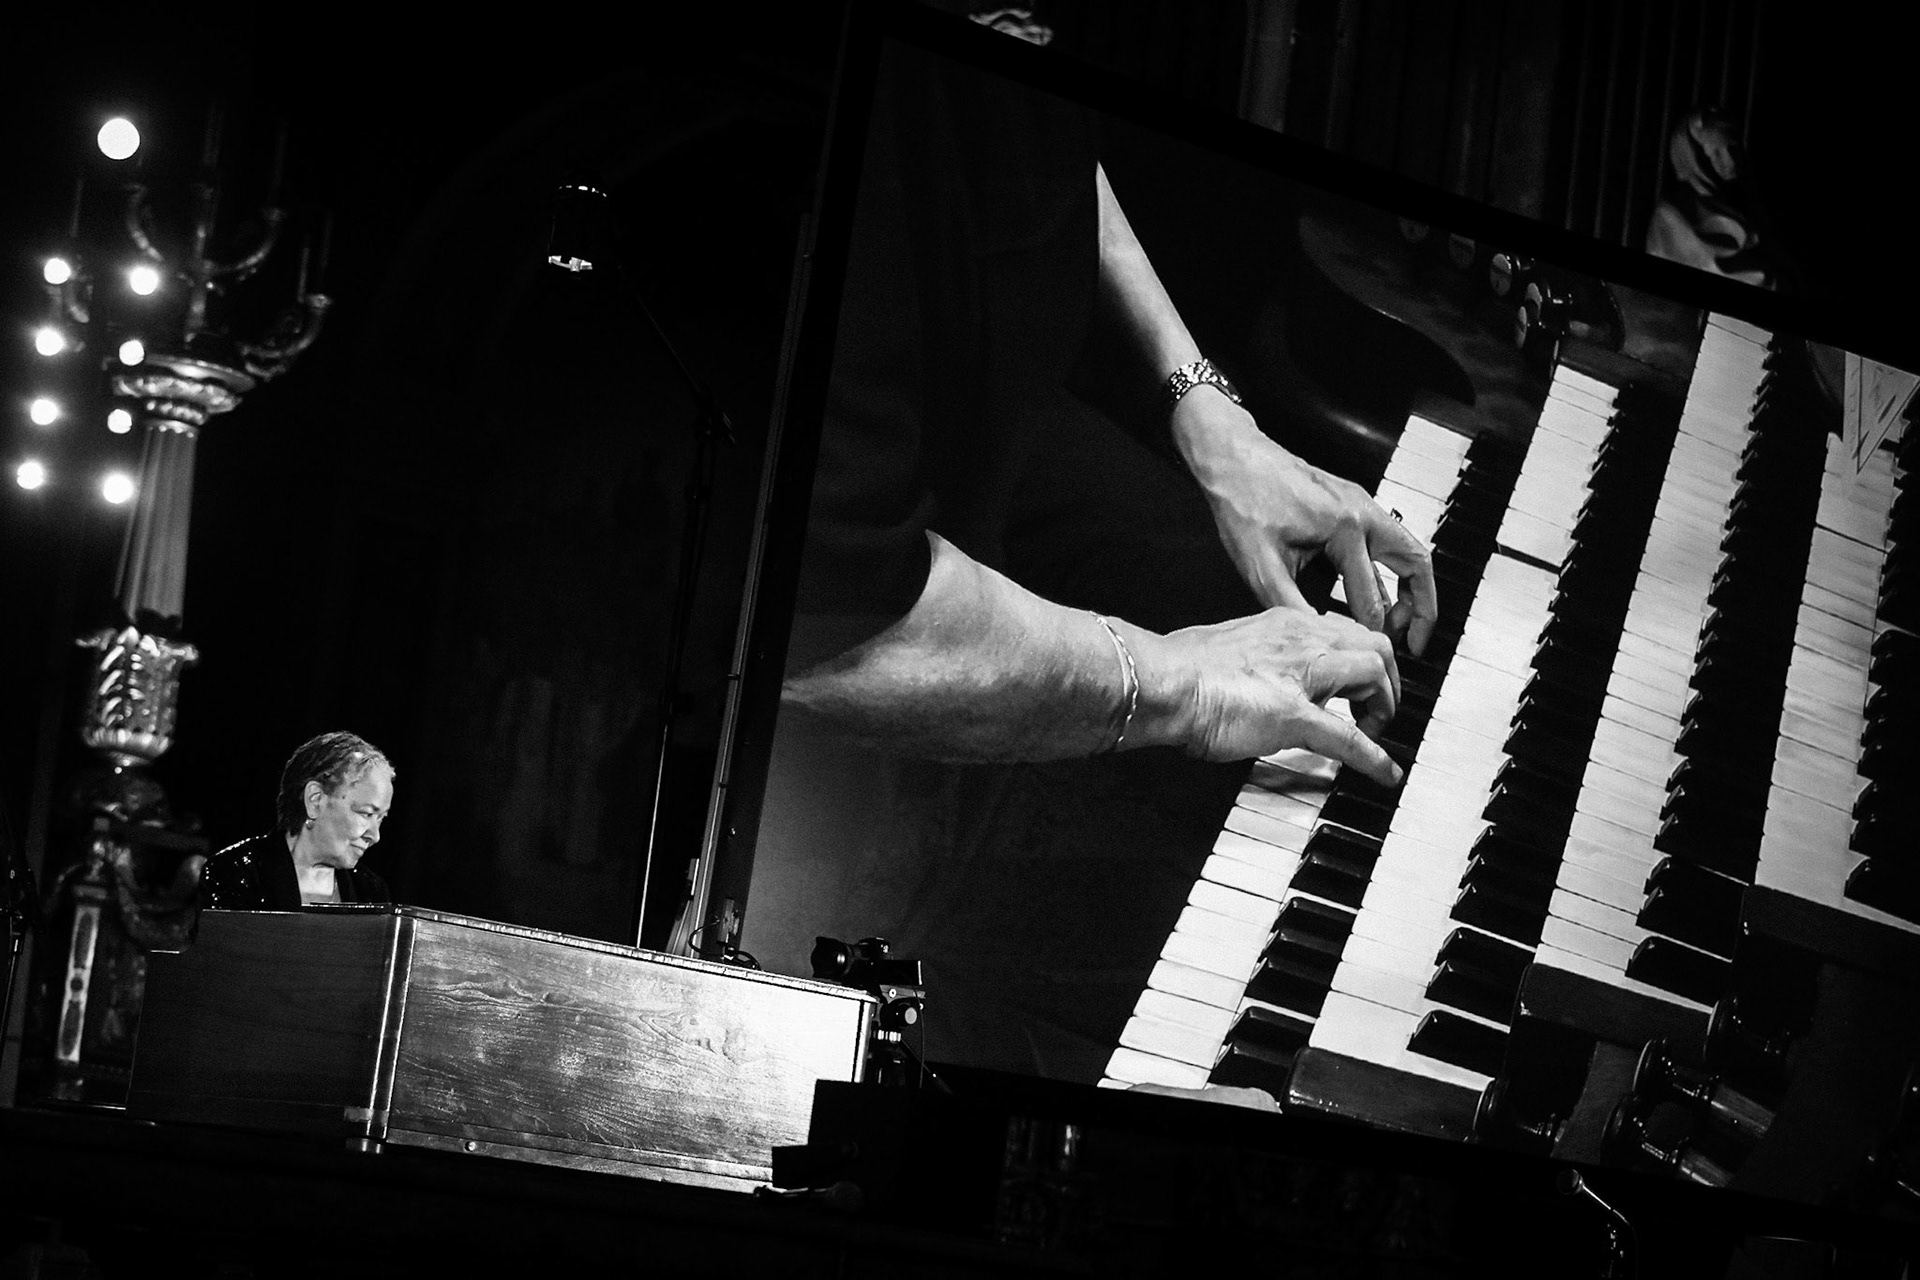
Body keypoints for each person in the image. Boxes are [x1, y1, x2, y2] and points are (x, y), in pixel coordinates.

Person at [745, 34, 1441, 1084]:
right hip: (824, 584)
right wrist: (1182, 684)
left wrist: (1204, 405)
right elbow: (835, 628)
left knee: (1248, 601)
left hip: (989, 416)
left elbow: (1045, 138)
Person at [198, 732, 395, 911]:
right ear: (315, 799)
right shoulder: (236, 873)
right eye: (366, 814)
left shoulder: (370, 892)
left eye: (381, 819)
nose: (375, 836)